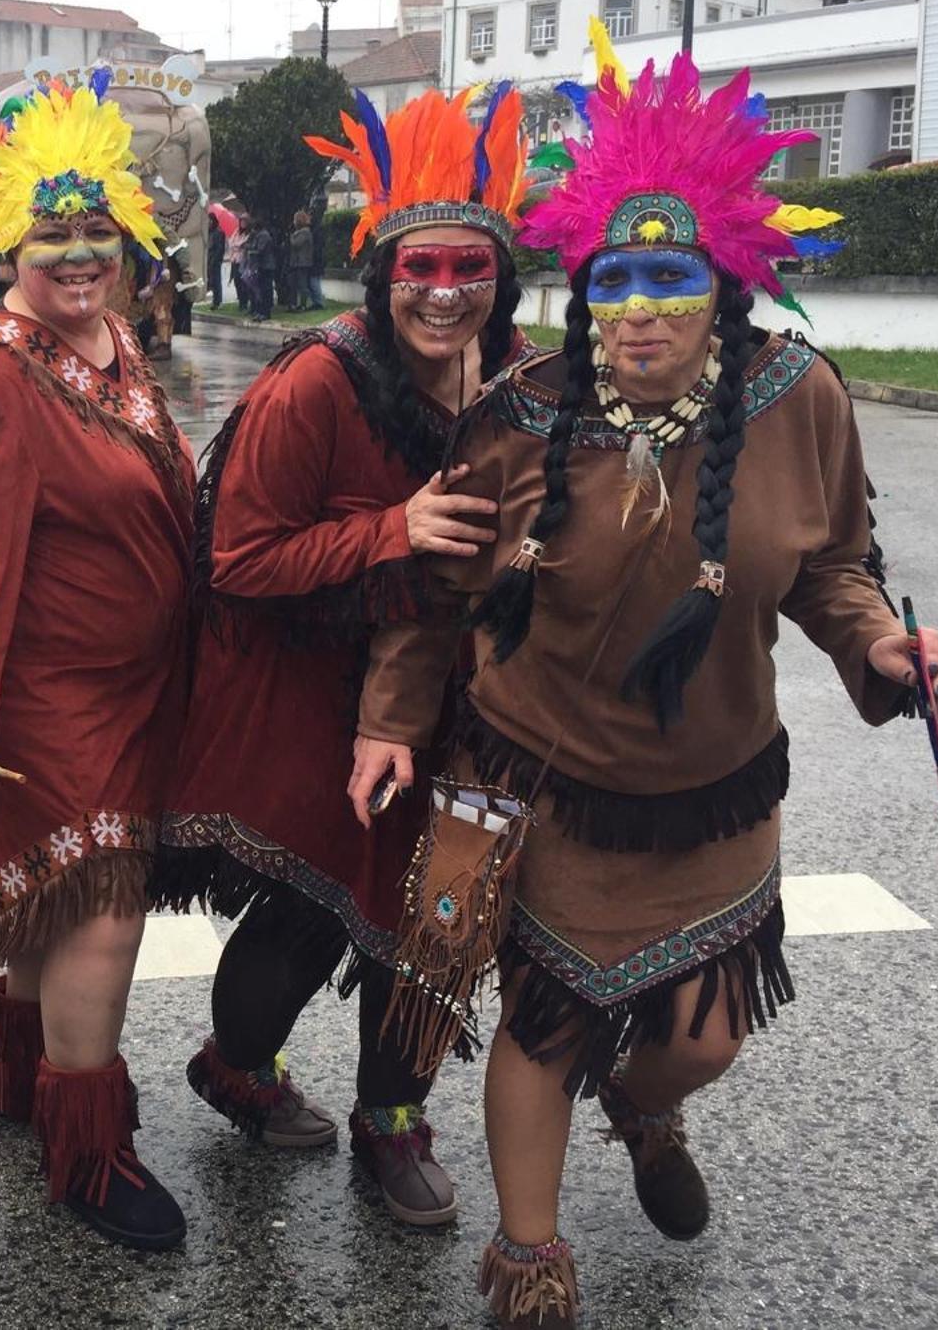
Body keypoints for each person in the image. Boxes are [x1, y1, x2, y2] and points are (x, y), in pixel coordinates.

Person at [347, 30, 938, 1329]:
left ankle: (648, 1107)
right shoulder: (522, 409)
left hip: (708, 799)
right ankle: (529, 1271)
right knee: (544, 1026)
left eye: (670, 277)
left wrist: (882, 649)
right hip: (538, 791)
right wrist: (392, 723)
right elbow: (431, 594)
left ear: (722, 282)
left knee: (704, 1036)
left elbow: (836, 566)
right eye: (615, 277)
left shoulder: (799, 399)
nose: (637, 306)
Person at [157, 86, 531, 1225]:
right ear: (381, 275)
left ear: (500, 277)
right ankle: (235, 1066)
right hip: (310, 696)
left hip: (469, 704)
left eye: (468, 267)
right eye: (417, 269)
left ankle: (392, 1122)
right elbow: (237, 559)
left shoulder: (525, 374)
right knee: (315, 909)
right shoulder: (316, 378)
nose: (442, 293)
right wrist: (392, 530)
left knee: (436, 916)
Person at [0, 72, 196, 1251]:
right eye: (50, 236)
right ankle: (87, 1151)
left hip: (129, 692)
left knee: (51, 907)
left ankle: (19, 1078)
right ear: (3, 248)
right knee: (97, 912)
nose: (78, 255)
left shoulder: (110, 339)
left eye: (97, 233)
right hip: (43, 706)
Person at [285, 209, 314, 311]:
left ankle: (303, 305)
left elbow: (296, 244)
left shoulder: (305, 232)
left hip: (302, 262)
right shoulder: (300, 232)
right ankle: (293, 304)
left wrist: (291, 237)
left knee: (302, 285)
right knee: (292, 283)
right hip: (296, 262)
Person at [206, 213, 225, 309]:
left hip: (215, 260)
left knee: (216, 280)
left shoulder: (218, 232)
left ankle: (218, 301)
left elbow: (219, 249)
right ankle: (215, 300)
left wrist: (215, 260)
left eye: (210, 221)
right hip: (209, 259)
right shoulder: (209, 232)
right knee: (211, 280)